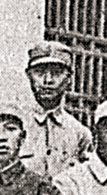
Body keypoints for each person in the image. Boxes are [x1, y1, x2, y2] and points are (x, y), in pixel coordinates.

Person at [19, 41, 93, 178]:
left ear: (69, 78)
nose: (48, 80)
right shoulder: (15, 125)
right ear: (29, 75)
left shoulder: (80, 134)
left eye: (57, 73)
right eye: (39, 72)